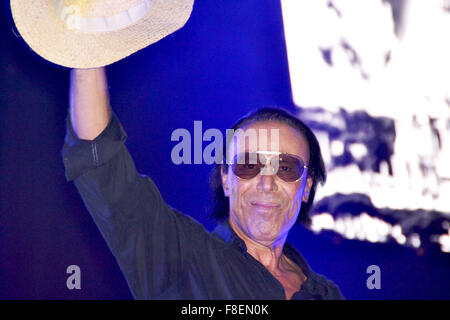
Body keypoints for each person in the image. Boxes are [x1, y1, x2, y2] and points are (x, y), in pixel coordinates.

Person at [62, 67, 344, 300]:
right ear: (226, 179)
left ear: (306, 187)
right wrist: (90, 47)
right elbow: (99, 160)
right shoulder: (182, 258)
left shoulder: (326, 294)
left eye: (285, 167)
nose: (266, 184)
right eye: (249, 166)